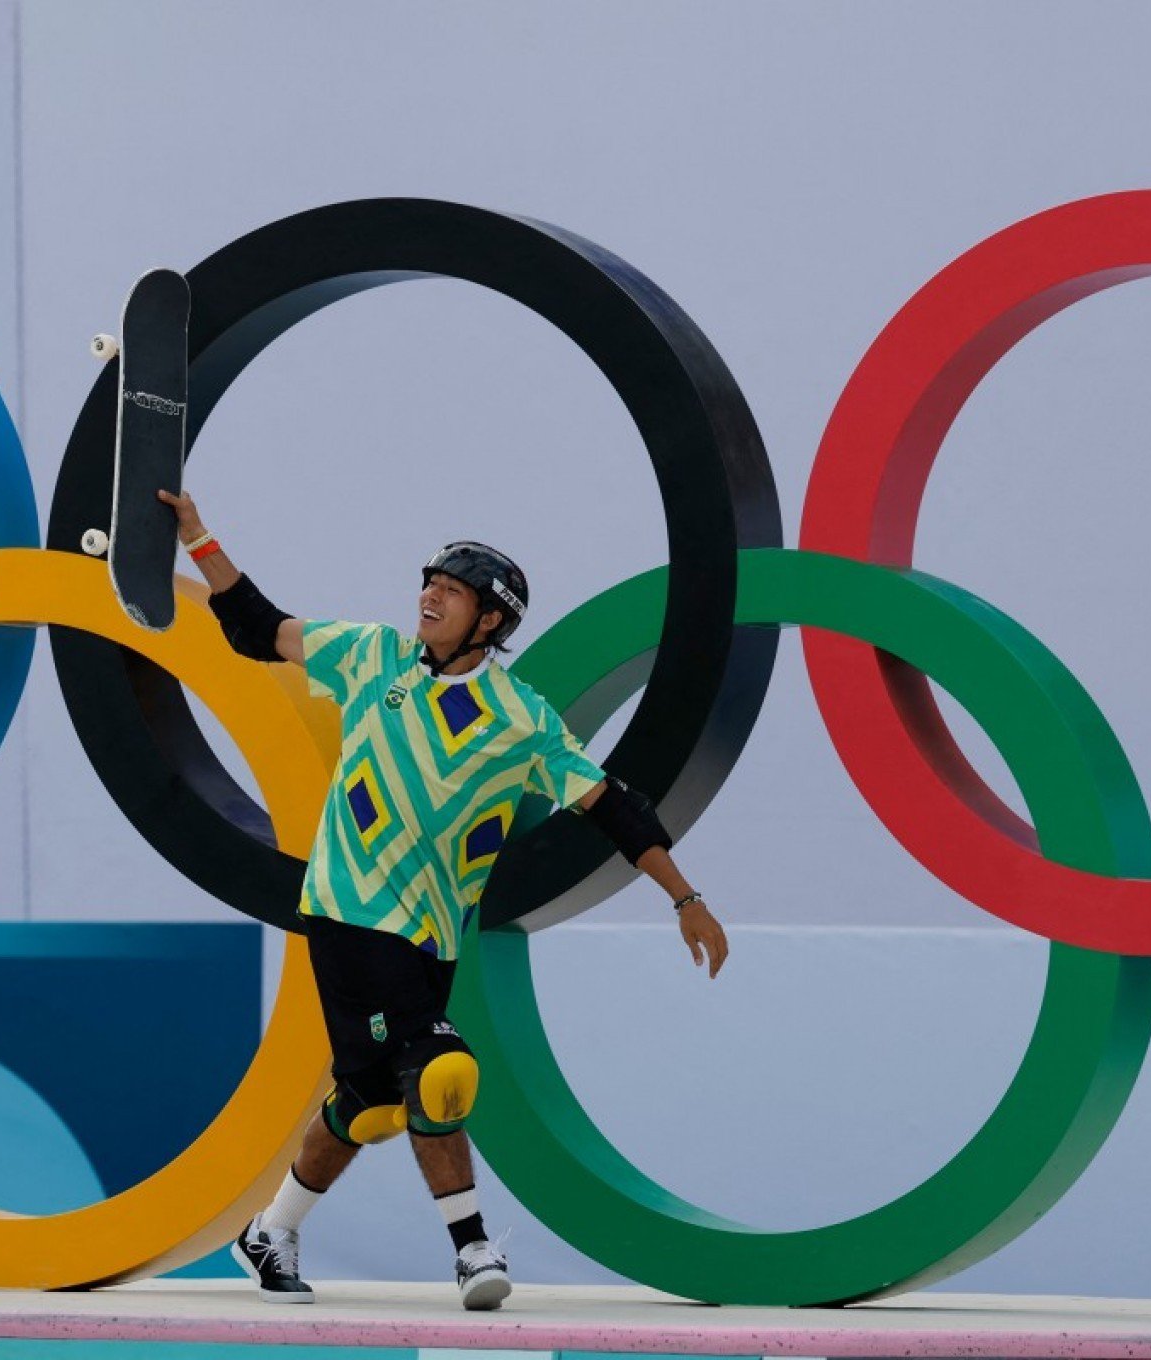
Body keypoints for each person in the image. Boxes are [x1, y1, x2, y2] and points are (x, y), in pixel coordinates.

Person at [156, 488, 728, 1311]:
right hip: (350, 911)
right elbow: (256, 627)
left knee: (369, 1100)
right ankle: (471, 1250)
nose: (428, 595)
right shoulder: (372, 656)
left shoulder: (520, 720)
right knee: (438, 1071)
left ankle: (270, 1229)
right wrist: (198, 536)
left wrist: (685, 898)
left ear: (490, 622)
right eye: (428, 582)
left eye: (451, 591)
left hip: (431, 935)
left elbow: (613, 808)